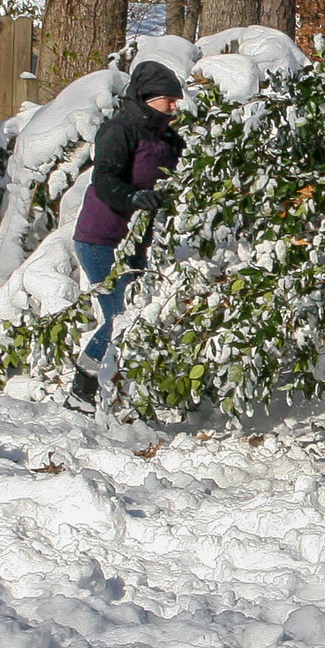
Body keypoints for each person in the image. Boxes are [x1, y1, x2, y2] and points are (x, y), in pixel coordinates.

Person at [67, 60, 186, 410]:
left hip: (139, 241)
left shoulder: (167, 137)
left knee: (137, 315)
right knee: (119, 318)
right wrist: (133, 197)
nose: (175, 106)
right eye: (169, 99)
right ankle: (82, 388)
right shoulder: (119, 129)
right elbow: (104, 180)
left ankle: (121, 391)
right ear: (149, 98)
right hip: (101, 238)